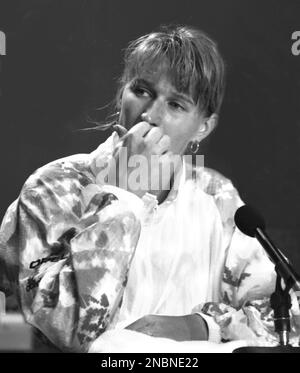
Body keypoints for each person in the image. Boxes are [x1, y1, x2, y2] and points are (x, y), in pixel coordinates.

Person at [0, 25, 299, 353]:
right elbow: (71, 330)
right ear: (121, 94)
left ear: (203, 127)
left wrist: (199, 326)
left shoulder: (217, 197)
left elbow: (289, 315)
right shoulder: (52, 188)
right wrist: (122, 196)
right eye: (141, 90)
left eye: (176, 105)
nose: (151, 115)